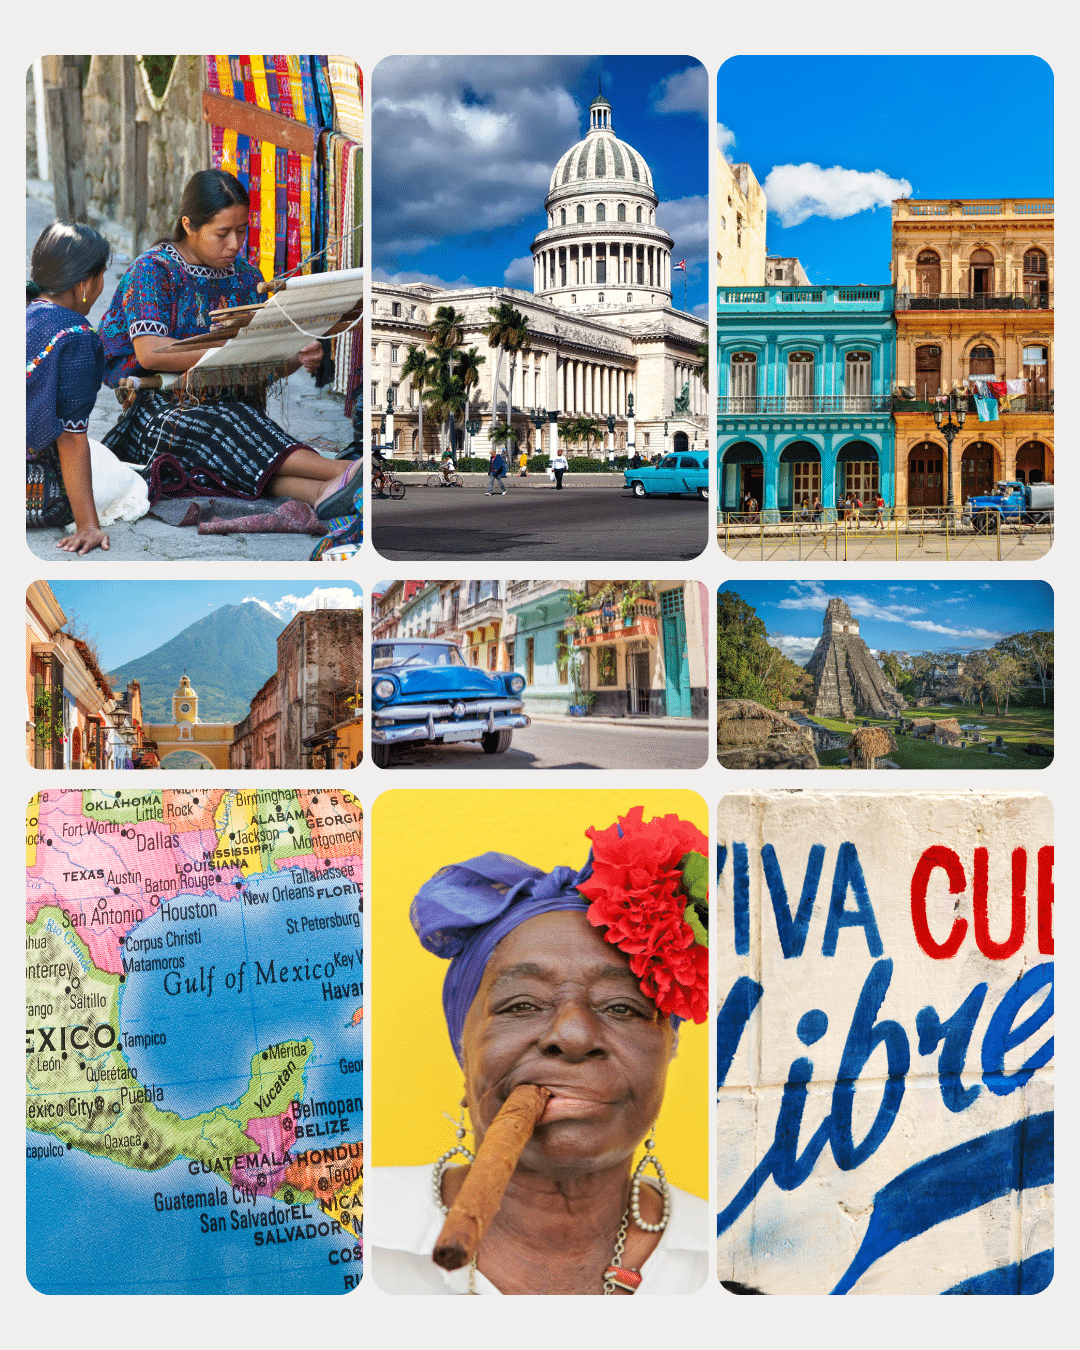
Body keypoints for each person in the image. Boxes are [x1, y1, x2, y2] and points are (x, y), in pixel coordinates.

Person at [369, 807, 710, 1295]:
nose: (571, 1036)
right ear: (464, 1047)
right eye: (522, 1004)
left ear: (668, 1044)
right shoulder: (346, 1228)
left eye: (622, 1007)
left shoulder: (723, 1260)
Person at [97, 169, 357, 514]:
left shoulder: (248, 278)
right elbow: (151, 351)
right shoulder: (154, 271)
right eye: (222, 233)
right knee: (221, 427)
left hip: (234, 408)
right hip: (160, 411)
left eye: (241, 231)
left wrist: (297, 354)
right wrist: (230, 351)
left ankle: (322, 492)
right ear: (189, 225)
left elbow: (266, 367)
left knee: (235, 444)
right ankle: (347, 472)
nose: (234, 244)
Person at [26, 221, 115, 554]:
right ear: (85, 284)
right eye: (102, 276)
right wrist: (88, 526)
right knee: (116, 479)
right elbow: (71, 439)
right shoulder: (77, 337)